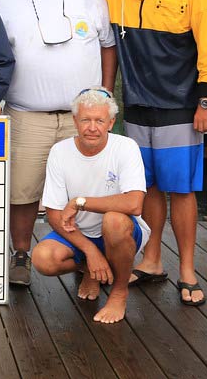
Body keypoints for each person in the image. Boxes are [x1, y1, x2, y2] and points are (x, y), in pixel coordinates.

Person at [0, 0, 207, 306]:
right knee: (139, 188)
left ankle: (182, 269)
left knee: (177, 191)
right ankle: (146, 259)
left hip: (174, 106)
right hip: (129, 107)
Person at [0, 0, 116, 286]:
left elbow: (108, 43)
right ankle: (20, 254)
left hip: (85, 117)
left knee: (90, 191)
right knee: (23, 190)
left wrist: (106, 92)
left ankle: (89, 260)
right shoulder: (5, 0)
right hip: (27, 114)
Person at [32, 88, 149, 323]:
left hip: (120, 232)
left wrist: (80, 203)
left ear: (111, 122)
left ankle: (119, 292)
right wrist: (90, 251)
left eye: (99, 120)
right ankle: (90, 268)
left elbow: (135, 204)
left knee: (113, 220)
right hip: (79, 234)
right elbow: (54, 214)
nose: (92, 127)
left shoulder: (126, 147)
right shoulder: (59, 151)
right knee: (42, 258)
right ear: (75, 120)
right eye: (85, 119)